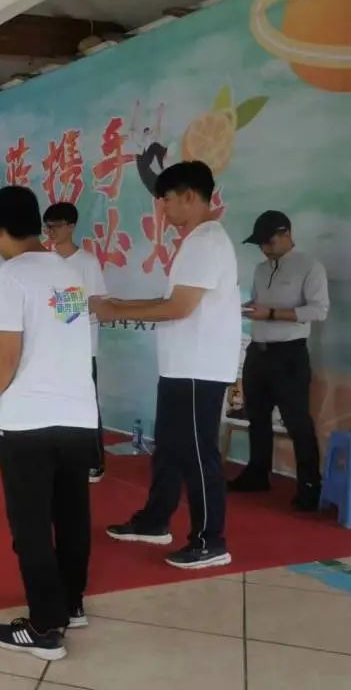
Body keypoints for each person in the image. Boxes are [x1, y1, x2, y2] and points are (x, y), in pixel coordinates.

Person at [94, 161, 241, 570]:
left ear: (189, 196)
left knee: (197, 454)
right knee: (170, 449)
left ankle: (210, 541)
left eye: (166, 199)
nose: (163, 208)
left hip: (198, 369)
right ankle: (155, 520)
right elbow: (173, 302)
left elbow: (178, 307)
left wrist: (115, 311)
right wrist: (118, 305)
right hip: (181, 367)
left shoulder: (205, 242)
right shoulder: (196, 242)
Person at [0, 186, 97, 661]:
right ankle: (71, 603)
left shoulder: (11, 275)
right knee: (72, 515)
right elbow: (48, 345)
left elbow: (9, 354)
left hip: (28, 423)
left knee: (31, 527)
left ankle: (45, 627)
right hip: (78, 415)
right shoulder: (68, 272)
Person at [229, 210, 330, 511]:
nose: (265, 249)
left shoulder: (309, 266)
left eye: (269, 242)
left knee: (297, 421)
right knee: (257, 417)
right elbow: (261, 304)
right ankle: (257, 474)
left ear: (287, 234)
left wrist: (271, 313)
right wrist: (250, 308)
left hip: (289, 355)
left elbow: (319, 310)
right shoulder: (261, 269)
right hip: (257, 351)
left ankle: (309, 485)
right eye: (260, 244)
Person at [43, 202, 109, 483]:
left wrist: (63, 310)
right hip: (50, 349)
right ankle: (59, 457)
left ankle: (94, 461)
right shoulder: (45, 262)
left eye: (56, 226)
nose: (51, 232)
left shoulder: (87, 262)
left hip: (81, 350)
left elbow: (96, 304)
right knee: (54, 402)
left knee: (86, 404)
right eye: (47, 227)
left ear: (71, 226)